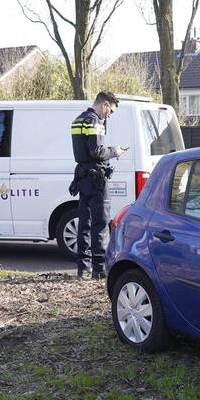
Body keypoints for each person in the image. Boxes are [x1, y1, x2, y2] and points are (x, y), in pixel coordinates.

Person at [70, 92, 127, 279]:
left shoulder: (78, 120)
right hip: (96, 179)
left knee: (84, 223)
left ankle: (83, 268)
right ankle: (100, 270)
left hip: (83, 177)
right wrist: (115, 151)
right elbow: (97, 151)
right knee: (101, 223)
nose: (110, 115)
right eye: (111, 110)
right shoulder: (95, 122)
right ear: (104, 104)